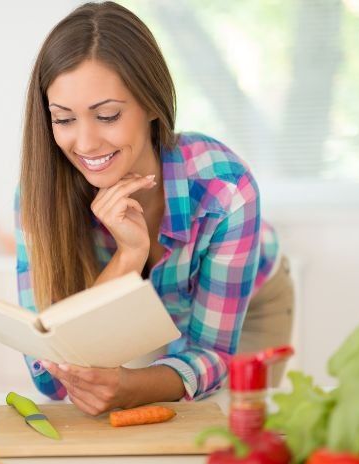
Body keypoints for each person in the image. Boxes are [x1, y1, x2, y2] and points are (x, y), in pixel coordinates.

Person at [15, 1, 293, 416]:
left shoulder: (224, 186)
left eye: (107, 115)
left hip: (248, 300)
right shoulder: (37, 195)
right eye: (64, 119)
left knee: (238, 427)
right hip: (141, 313)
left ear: (151, 104)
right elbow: (49, 375)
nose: (86, 144)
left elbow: (212, 354)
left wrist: (134, 386)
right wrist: (128, 258)